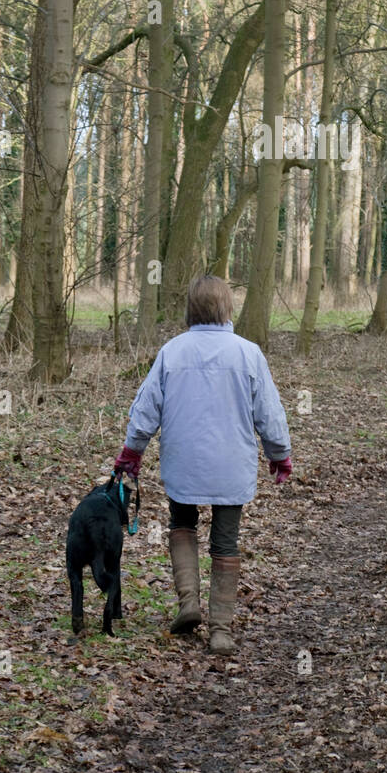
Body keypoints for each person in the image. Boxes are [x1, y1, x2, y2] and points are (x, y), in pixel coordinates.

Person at [113, 274, 291, 654]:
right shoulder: (248, 354)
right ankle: (221, 630)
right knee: (225, 540)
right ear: (227, 307)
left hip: (184, 461)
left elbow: (146, 409)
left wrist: (132, 453)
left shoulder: (172, 352)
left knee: (182, 523)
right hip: (231, 465)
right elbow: (270, 414)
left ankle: (189, 603)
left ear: (190, 308)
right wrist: (279, 454)